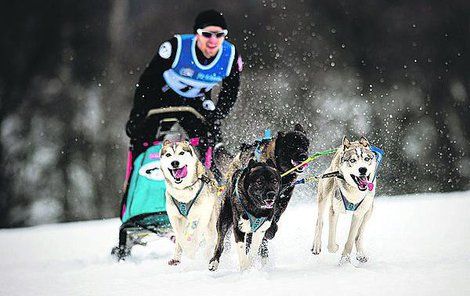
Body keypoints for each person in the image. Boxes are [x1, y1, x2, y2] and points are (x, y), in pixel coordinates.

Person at [125, 9, 242, 161]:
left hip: (195, 100)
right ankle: (138, 173)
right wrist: (138, 113)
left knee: (210, 137)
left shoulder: (230, 56)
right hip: (163, 96)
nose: (213, 41)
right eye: (207, 34)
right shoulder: (176, 47)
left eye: (219, 35)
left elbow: (230, 91)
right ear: (197, 34)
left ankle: (210, 175)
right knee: (141, 134)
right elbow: (148, 80)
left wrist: (218, 115)